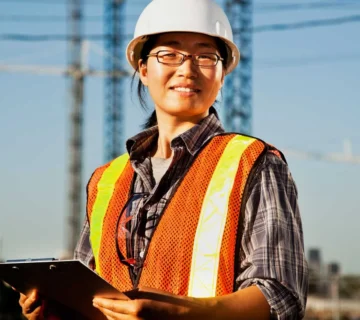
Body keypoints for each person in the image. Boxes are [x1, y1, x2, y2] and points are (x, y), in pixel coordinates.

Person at [19, 0, 308, 319]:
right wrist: (58, 309)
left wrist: (185, 314)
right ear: (143, 69)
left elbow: (281, 296)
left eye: (205, 56)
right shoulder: (106, 181)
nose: (187, 69)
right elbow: (94, 296)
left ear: (222, 74)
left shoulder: (255, 164)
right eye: (169, 54)